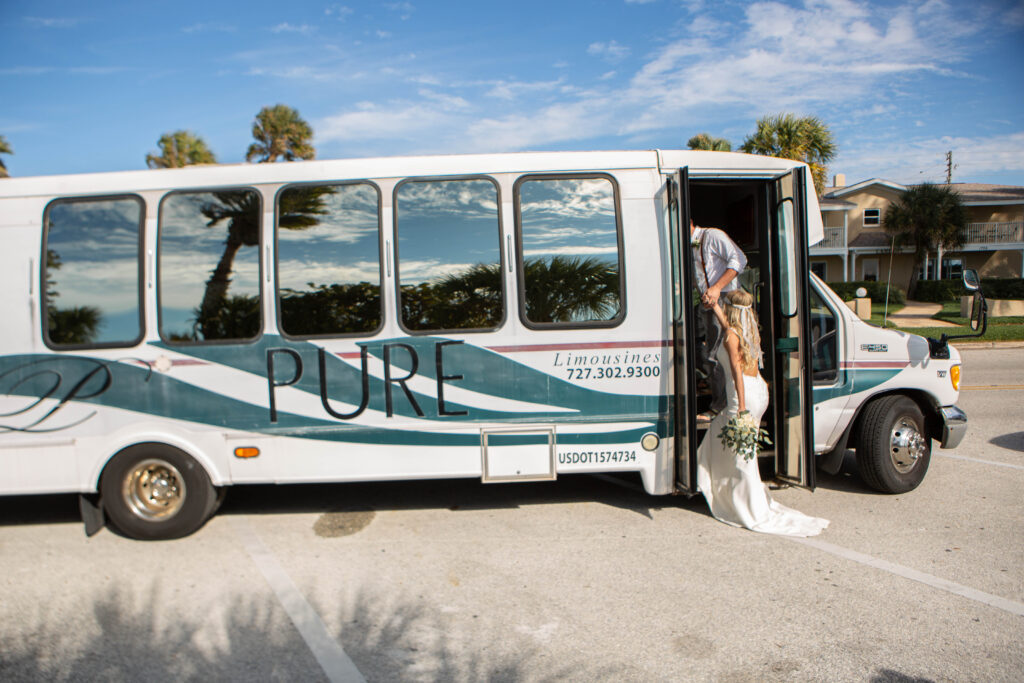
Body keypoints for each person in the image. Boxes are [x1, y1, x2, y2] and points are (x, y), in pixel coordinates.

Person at [696, 289, 829, 537]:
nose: (722, 309)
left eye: (724, 306)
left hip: (743, 395)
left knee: (739, 452)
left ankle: (747, 504)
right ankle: (722, 489)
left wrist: (742, 408)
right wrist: (713, 306)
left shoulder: (729, 337)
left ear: (732, 310)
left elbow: (735, 373)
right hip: (759, 390)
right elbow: (729, 329)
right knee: (727, 442)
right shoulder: (746, 333)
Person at [690, 219, 746, 421]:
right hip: (707, 301)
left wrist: (716, 288)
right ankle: (721, 402)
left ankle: (721, 407)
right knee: (705, 351)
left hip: (722, 299)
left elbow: (739, 260)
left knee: (718, 353)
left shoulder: (713, 235)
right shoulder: (689, 245)